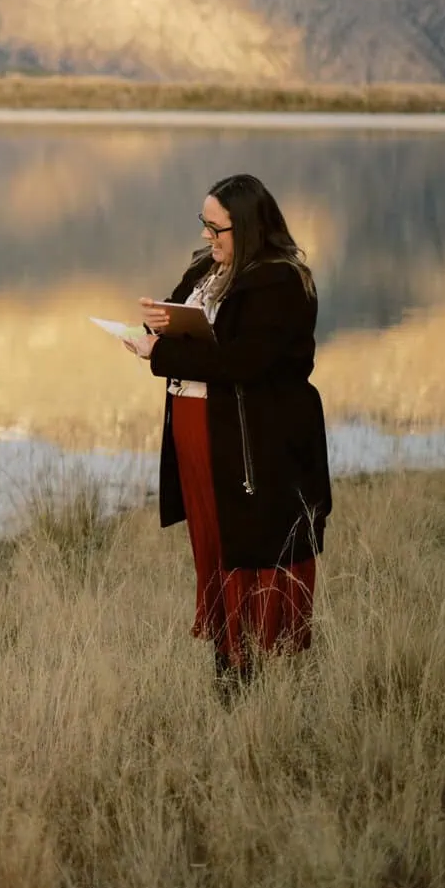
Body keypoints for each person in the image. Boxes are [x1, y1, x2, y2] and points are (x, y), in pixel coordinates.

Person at [124, 174, 331, 689]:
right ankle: (228, 660)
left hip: (253, 442)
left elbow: (244, 361)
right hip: (199, 432)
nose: (207, 235)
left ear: (249, 226)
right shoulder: (207, 267)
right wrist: (154, 326)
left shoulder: (280, 282)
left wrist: (162, 353)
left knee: (250, 542)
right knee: (214, 542)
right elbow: (183, 322)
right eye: (205, 223)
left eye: (217, 227)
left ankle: (258, 669)